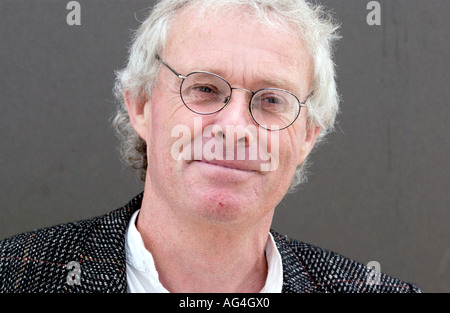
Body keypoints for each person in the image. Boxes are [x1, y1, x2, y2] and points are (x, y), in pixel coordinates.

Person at [0, 0, 420, 293]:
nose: (236, 127)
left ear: (308, 134)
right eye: (203, 88)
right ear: (141, 105)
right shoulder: (13, 276)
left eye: (272, 100)